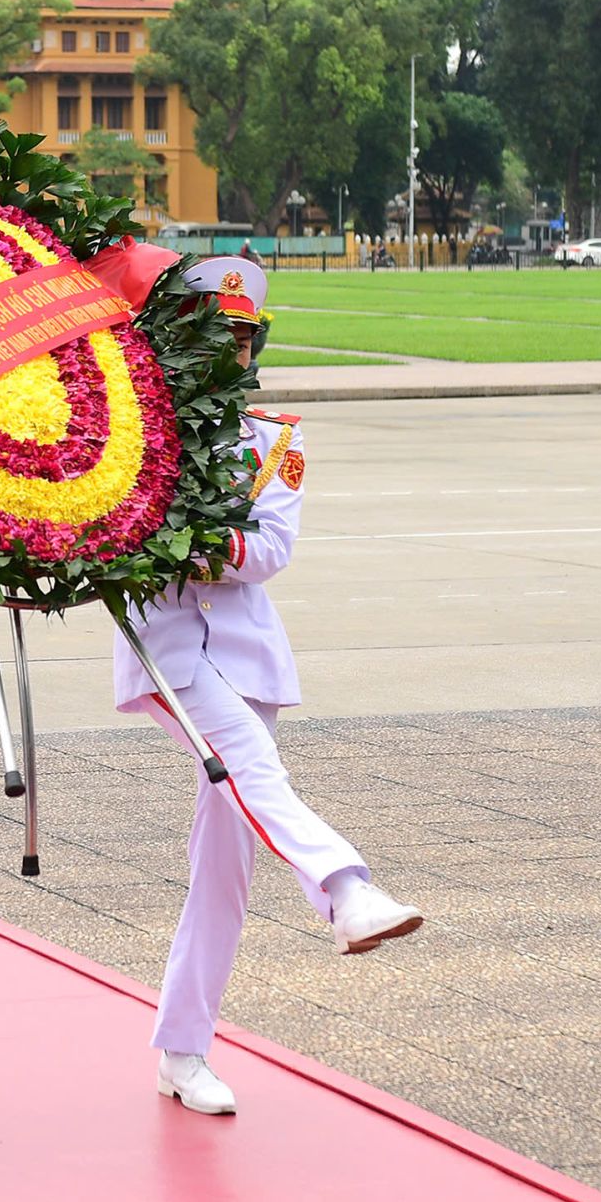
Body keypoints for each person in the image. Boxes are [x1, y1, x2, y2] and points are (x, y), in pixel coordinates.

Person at [122, 258, 423, 1117]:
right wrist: (196, 536)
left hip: (248, 652)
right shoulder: (141, 432)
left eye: (242, 341)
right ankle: (345, 890)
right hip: (169, 650)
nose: (228, 356)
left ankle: (181, 1050)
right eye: (212, 339)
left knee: (224, 866)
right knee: (252, 766)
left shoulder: (276, 440)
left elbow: (269, 553)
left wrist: (189, 536)